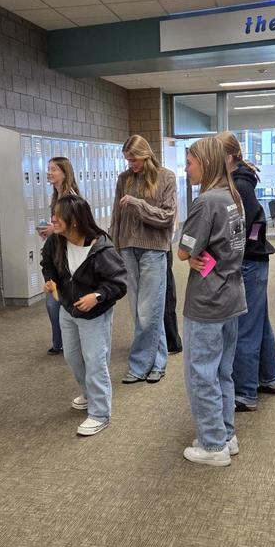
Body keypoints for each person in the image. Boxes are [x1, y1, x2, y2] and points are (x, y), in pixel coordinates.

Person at [178, 137, 246, 467]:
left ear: (204, 163)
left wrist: (191, 255)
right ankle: (225, 434)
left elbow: (183, 251)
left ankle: (212, 444)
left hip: (207, 300)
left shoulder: (205, 201)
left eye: (189, 162)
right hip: (232, 295)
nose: (186, 167)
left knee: (201, 373)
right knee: (222, 371)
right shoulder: (232, 195)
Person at [40, 194, 127, 436]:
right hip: (68, 309)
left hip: (95, 314)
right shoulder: (56, 242)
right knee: (72, 357)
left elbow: (119, 284)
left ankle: (100, 414)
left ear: (75, 220)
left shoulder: (102, 248)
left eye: (58, 215)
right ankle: (89, 395)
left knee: (95, 361)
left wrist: (96, 297)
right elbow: (47, 263)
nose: (53, 219)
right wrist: (51, 280)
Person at [217, 131, 275, 411]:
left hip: (250, 263)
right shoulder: (240, 180)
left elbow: (255, 221)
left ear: (229, 157)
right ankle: (269, 378)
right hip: (254, 260)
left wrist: (245, 248)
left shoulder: (240, 186)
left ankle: (244, 392)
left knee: (245, 328)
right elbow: (258, 221)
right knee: (259, 322)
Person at [110, 135, 176, 385]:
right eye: (127, 160)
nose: (131, 165)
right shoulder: (124, 179)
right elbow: (117, 216)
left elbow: (167, 217)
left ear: (145, 155)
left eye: (134, 159)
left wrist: (139, 204)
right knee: (140, 311)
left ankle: (139, 365)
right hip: (127, 248)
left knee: (150, 311)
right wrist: (114, 246)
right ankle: (158, 363)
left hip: (153, 249)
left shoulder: (166, 177)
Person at [38, 157, 80, 356]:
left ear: (64, 173)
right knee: (54, 301)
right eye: (48, 169)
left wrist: (53, 230)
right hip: (57, 253)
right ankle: (60, 342)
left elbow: (75, 227)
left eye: (53, 169)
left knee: (56, 301)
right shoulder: (56, 196)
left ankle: (63, 342)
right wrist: (51, 231)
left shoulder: (70, 198)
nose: (49, 173)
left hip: (70, 255)